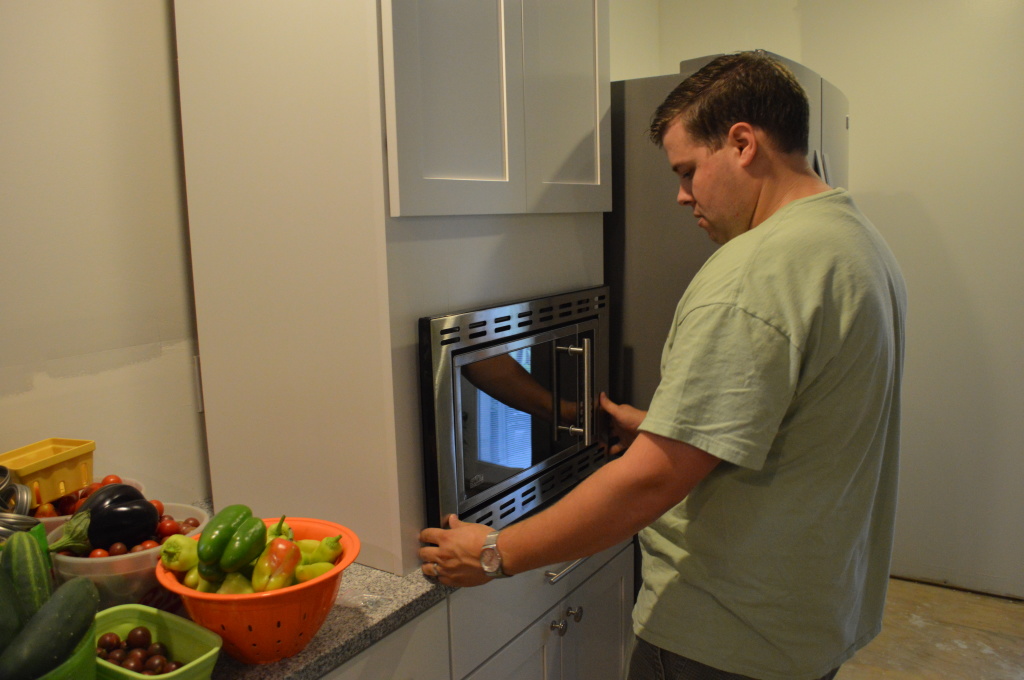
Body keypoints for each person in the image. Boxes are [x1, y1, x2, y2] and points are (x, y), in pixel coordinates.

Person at [419, 50, 906, 680]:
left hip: (724, 637)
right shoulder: (855, 240)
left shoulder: (753, 274)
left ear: (741, 143)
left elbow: (651, 482)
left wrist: (491, 552)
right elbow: (812, 415)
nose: (681, 196)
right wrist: (672, 423)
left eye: (687, 170)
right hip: (809, 620)